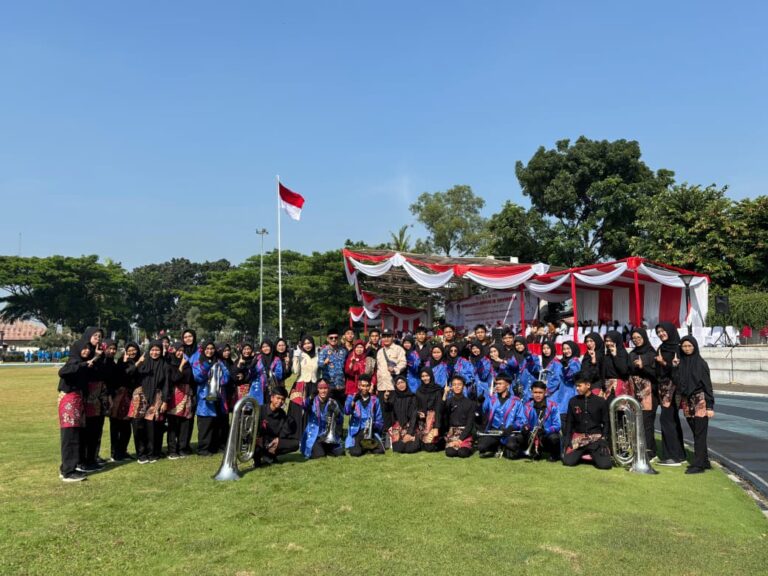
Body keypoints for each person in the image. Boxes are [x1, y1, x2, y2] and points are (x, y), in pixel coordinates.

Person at [673, 336, 715, 474]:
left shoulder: (701, 363)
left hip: (700, 401)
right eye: (684, 346)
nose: (687, 349)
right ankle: (705, 461)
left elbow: (708, 386)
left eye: (689, 346)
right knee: (695, 432)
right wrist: (674, 367)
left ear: (695, 346)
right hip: (687, 402)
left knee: (700, 433)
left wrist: (709, 407)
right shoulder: (680, 363)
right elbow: (676, 382)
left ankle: (698, 465)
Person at [57, 341, 95, 481]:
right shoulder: (74, 361)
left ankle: (66, 467)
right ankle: (69, 472)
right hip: (69, 401)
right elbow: (62, 372)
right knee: (70, 436)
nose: (86, 351)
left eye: (88, 349)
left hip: (77, 401)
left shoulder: (81, 363)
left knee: (74, 435)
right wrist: (84, 365)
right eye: (84, 348)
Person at [128, 340, 170, 463]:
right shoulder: (143, 362)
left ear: (161, 351)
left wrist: (164, 401)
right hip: (140, 398)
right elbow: (128, 373)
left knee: (153, 427)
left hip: (156, 398)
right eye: (152, 350)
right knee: (139, 426)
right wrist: (138, 363)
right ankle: (141, 454)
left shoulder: (164, 365)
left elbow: (166, 384)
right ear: (149, 350)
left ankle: (152, 453)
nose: (155, 352)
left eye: (157, 350)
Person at [562, 372, 613, 470]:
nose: (577, 388)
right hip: (579, 439)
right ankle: (585, 453)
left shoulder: (601, 401)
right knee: (567, 461)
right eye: (576, 386)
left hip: (596, 439)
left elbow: (606, 422)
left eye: (579, 386)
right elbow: (569, 423)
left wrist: (604, 439)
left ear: (588, 385)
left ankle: (591, 453)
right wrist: (567, 441)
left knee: (605, 465)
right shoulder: (573, 401)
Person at [654, 322, 686, 466]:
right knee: (671, 421)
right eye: (659, 332)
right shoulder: (662, 348)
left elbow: (677, 372)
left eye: (663, 331)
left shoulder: (678, 349)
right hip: (662, 389)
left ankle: (672, 456)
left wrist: (664, 363)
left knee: (667, 421)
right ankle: (679, 454)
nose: (661, 334)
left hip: (673, 390)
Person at [193, 340, 230, 456]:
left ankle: (214, 447)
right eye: (207, 349)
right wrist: (207, 366)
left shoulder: (219, 361)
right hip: (204, 397)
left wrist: (219, 380)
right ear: (203, 349)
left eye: (212, 349)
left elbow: (226, 376)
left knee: (216, 423)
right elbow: (198, 377)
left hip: (218, 396)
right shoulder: (198, 362)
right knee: (205, 425)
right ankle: (203, 449)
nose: (209, 351)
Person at [628, 328, 659, 462]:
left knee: (647, 423)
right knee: (636, 423)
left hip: (648, 394)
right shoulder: (632, 354)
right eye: (634, 338)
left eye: (638, 337)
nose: (636, 340)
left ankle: (651, 452)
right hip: (635, 392)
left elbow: (656, 374)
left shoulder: (652, 353)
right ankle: (639, 449)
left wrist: (643, 366)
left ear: (644, 337)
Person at [477, 373, 524, 458]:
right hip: (494, 431)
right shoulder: (491, 399)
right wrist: (480, 403)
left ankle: (506, 447)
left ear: (507, 385)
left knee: (512, 454)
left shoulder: (516, 401)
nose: (497, 386)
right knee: (481, 447)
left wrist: (511, 428)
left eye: (500, 384)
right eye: (496, 384)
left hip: (509, 432)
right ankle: (497, 447)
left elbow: (521, 420)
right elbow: (483, 412)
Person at [254, 386, 299, 465]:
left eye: (282, 399)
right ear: (272, 398)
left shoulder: (283, 414)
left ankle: (269, 455)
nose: (280, 401)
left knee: (295, 444)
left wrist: (279, 440)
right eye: (278, 398)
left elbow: (282, 433)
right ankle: (260, 457)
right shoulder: (260, 410)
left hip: (271, 442)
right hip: (258, 441)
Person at [110, 342, 140, 461]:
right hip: (120, 398)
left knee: (126, 426)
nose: (132, 352)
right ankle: (115, 452)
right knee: (117, 425)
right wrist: (124, 363)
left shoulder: (140, 363)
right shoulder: (121, 363)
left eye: (134, 350)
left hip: (131, 398)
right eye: (129, 350)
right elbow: (123, 375)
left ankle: (123, 450)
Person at [300, 380, 344, 459]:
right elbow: (304, 406)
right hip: (315, 435)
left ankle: (325, 448)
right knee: (319, 455)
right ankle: (320, 448)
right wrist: (310, 398)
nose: (323, 391)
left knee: (340, 452)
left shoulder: (333, 402)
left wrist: (336, 411)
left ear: (328, 389)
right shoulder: (312, 400)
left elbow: (340, 420)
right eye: (320, 388)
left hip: (328, 435)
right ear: (317, 389)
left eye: (325, 388)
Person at [166, 341, 195, 459]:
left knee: (185, 424)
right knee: (173, 424)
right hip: (174, 397)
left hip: (187, 396)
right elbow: (174, 379)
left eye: (182, 351)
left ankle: (182, 448)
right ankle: (172, 450)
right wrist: (181, 365)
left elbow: (191, 380)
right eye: (178, 350)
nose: (180, 353)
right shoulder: (170, 364)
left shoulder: (189, 365)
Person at [520, 380, 561, 461]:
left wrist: (545, 430)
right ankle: (534, 452)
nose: (537, 395)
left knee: (554, 438)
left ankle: (555, 454)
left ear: (545, 392)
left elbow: (557, 425)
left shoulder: (553, 406)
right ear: (532, 392)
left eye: (540, 392)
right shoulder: (527, 406)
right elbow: (523, 421)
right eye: (535, 392)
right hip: (532, 435)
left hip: (546, 435)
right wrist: (525, 427)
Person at [345, 376, 385, 456]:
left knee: (380, 451)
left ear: (370, 386)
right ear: (359, 386)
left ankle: (365, 446)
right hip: (357, 431)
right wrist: (353, 401)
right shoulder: (351, 397)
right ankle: (364, 446)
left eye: (367, 386)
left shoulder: (375, 400)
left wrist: (374, 425)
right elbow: (347, 411)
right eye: (363, 386)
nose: (365, 388)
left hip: (370, 431)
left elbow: (379, 419)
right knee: (355, 453)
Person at [375, 329, 406, 429]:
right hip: (381, 387)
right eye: (384, 336)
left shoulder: (398, 349)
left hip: (393, 386)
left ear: (392, 337)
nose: (386, 338)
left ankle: (397, 436)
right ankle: (388, 436)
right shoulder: (380, 351)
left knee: (396, 412)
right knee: (385, 412)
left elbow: (403, 363)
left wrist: (395, 369)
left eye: (388, 336)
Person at [443, 375, 476, 458]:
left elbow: (470, 424)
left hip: (465, 432)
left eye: (459, 384)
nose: (457, 387)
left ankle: (469, 445)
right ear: (451, 387)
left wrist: (460, 440)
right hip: (452, 433)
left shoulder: (470, 403)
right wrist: (445, 394)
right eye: (454, 384)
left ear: (463, 386)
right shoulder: (449, 401)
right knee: (450, 452)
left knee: (462, 453)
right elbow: (441, 412)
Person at [385, 375, 420, 454]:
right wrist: (386, 400)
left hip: (410, 426)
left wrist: (409, 433)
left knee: (411, 449)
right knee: (397, 448)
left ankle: (412, 438)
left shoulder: (412, 397)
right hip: (398, 426)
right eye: (398, 383)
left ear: (406, 383)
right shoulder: (394, 397)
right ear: (396, 386)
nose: (401, 385)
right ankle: (407, 440)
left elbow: (414, 416)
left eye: (402, 382)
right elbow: (388, 410)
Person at [415, 368, 444, 452]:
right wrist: (419, 413)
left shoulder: (437, 390)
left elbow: (438, 409)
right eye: (423, 376)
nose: (425, 378)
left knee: (430, 447)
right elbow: (416, 407)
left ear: (431, 376)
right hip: (422, 421)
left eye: (427, 376)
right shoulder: (419, 391)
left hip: (434, 420)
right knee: (418, 446)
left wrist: (436, 427)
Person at [505, 336, 541, 401]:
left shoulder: (533, 356)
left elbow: (537, 369)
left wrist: (530, 360)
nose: (519, 346)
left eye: (521, 344)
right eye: (517, 345)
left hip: (530, 387)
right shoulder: (513, 357)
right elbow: (510, 372)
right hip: (518, 388)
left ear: (524, 344)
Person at [318, 328, 347, 408]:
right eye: (331, 338)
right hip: (329, 386)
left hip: (341, 386)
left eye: (336, 337)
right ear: (327, 339)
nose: (334, 339)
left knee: (340, 411)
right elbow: (319, 365)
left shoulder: (343, 351)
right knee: (329, 411)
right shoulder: (323, 351)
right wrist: (324, 362)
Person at [250, 340, 284, 406]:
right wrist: (252, 366)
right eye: (263, 347)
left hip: (271, 389)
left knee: (269, 408)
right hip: (258, 389)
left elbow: (279, 375)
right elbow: (252, 373)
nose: (265, 348)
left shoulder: (276, 359)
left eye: (267, 346)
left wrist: (270, 373)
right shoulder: (258, 358)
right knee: (257, 409)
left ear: (271, 347)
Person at [602, 330, 630, 402]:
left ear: (617, 341)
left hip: (618, 388)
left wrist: (615, 356)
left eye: (611, 341)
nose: (608, 343)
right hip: (607, 388)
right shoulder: (607, 355)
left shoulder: (622, 353)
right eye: (607, 341)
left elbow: (623, 370)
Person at [556, 341, 581, 417]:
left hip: (570, 392)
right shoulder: (564, 361)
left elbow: (571, 376)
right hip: (562, 391)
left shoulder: (575, 361)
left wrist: (566, 368)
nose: (566, 351)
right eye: (564, 349)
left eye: (568, 348)